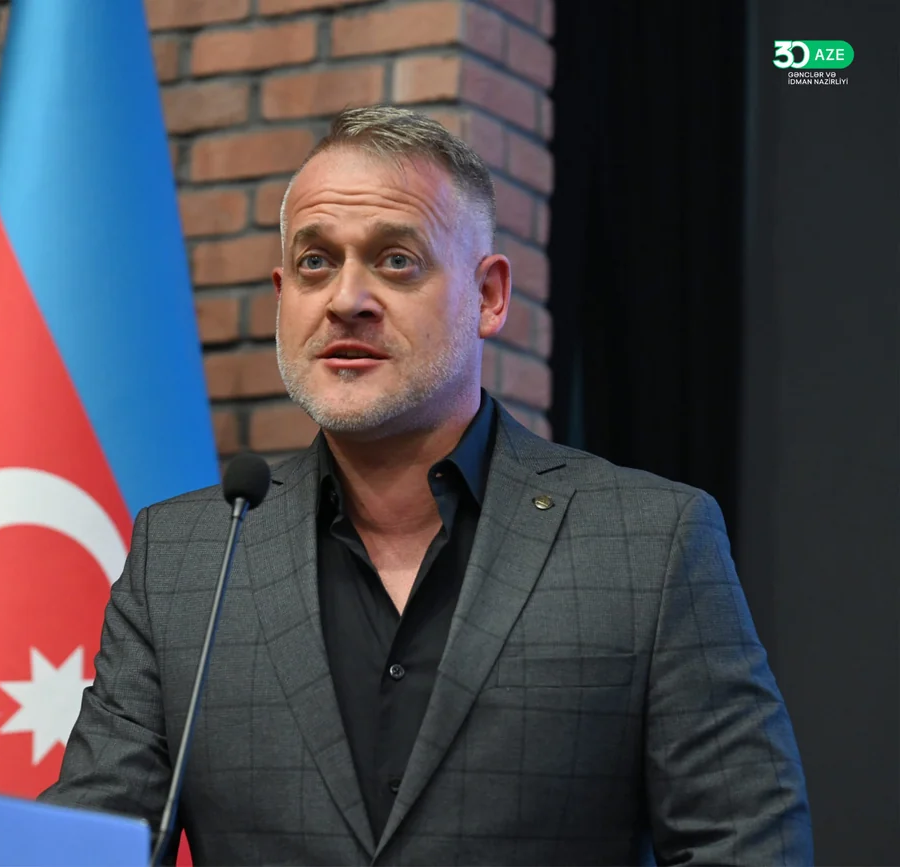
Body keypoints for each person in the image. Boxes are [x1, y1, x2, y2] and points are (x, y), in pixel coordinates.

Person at [40, 105, 812, 865]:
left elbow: (743, 847)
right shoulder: (186, 558)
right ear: (283, 296)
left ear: (489, 296)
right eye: (316, 263)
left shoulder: (650, 543)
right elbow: (82, 849)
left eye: (396, 260)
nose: (346, 299)